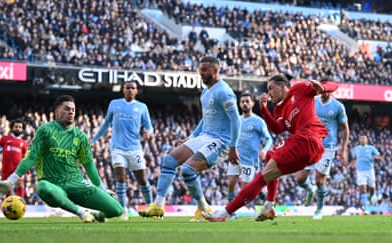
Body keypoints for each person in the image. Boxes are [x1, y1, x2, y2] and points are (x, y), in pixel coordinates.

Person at [202, 74, 339, 222]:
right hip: (308, 146)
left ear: (282, 87)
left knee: (261, 177)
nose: (269, 93)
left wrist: (323, 88)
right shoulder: (280, 110)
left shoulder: (300, 89)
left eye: (271, 88)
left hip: (308, 139)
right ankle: (269, 206)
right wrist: (264, 109)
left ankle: (224, 213)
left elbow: (333, 84)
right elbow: (277, 128)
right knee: (269, 156)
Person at [138, 56, 241, 222]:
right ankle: (158, 205)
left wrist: (233, 147)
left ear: (216, 71)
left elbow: (236, 120)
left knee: (187, 170)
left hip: (221, 141)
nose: (201, 73)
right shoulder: (205, 92)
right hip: (205, 136)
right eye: (200, 70)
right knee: (169, 160)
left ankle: (203, 207)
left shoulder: (224, 91)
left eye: (205, 70)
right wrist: (192, 137)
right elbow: (205, 118)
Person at [0, 95, 123, 223]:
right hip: (53, 184)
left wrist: (101, 187)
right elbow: (31, 157)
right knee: (42, 187)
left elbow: (88, 164)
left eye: (73, 109)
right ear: (56, 111)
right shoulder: (45, 131)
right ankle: (81, 212)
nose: (71, 112)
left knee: (116, 210)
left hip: (77, 183)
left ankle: (98, 215)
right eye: (67, 108)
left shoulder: (80, 136)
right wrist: (11, 181)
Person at [90, 80, 154, 221]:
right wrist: (94, 140)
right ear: (123, 90)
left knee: (142, 179)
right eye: (128, 88)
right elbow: (106, 123)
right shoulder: (114, 104)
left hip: (135, 149)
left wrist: (149, 132)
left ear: (136, 91)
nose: (130, 90)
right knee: (120, 178)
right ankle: (123, 210)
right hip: (117, 148)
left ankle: (151, 207)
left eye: (133, 88)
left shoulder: (142, 107)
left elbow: (149, 126)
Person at [295, 77, 349, 220]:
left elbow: (345, 128)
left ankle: (319, 209)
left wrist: (343, 150)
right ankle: (310, 189)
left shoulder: (338, 107)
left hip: (327, 147)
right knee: (300, 178)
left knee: (320, 180)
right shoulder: (313, 102)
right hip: (310, 144)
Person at [226, 90, 273, 220]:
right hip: (236, 157)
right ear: (239, 104)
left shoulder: (258, 121)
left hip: (249, 160)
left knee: (245, 191)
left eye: (247, 101)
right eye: (242, 102)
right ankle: (231, 212)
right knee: (231, 182)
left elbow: (269, 139)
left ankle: (264, 195)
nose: (245, 104)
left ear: (252, 103)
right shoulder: (236, 120)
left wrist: (264, 149)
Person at [0, 119, 28, 198]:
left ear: (22, 129)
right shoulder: (4, 138)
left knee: (20, 185)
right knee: (7, 189)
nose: (18, 128)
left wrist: (27, 170)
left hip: (18, 168)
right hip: (6, 168)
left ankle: (20, 204)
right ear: (12, 128)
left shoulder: (24, 143)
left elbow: (26, 157)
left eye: (20, 127)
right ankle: (8, 207)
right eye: (16, 127)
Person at [350, 134, 382, 213]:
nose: (363, 140)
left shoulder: (371, 148)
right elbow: (354, 158)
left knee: (372, 189)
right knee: (363, 189)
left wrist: (376, 157)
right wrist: (352, 164)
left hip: (370, 170)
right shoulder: (356, 149)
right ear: (359, 140)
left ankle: (371, 197)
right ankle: (366, 208)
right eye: (361, 139)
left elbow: (379, 156)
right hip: (360, 171)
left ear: (367, 140)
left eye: (364, 139)